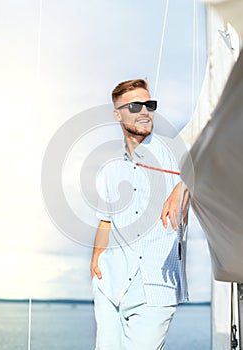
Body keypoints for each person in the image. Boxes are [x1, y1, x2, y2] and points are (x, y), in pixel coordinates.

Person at [90, 79, 189, 350]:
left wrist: (184, 184)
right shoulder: (110, 168)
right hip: (110, 286)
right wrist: (96, 260)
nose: (145, 111)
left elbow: (212, 168)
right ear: (117, 114)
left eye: (150, 105)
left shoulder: (176, 152)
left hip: (156, 288)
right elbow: (105, 220)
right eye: (135, 106)